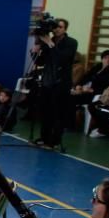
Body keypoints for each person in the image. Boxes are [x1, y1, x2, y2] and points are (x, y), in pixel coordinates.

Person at [36, 17, 77, 148]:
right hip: (47, 81)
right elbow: (40, 62)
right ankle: (44, 137)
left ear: (65, 29)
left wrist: (50, 43)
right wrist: (36, 49)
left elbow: (62, 59)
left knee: (57, 114)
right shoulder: (50, 41)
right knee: (45, 112)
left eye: (60, 27)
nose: (57, 29)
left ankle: (54, 141)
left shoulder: (71, 42)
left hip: (62, 83)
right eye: (56, 27)